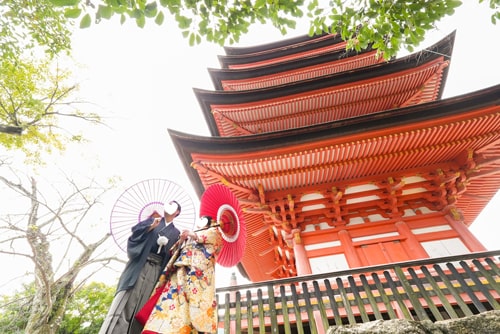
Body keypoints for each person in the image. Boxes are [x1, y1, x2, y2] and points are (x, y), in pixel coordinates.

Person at [99, 200, 182, 334]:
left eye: (174, 206)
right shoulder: (152, 221)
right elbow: (135, 234)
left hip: (157, 271)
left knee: (144, 305)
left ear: (177, 212)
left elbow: (174, 255)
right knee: (128, 300)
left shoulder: (177, 233)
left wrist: (180, 242)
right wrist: (150, 227)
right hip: (141, 264)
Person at [140, 215, 223, 334]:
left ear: (209, 222)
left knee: (191, 304)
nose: (199, 220)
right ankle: (159, 328)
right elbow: (174, 251)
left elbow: (209, 240)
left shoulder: (214, 231)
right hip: (180, 268)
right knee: (172, 300)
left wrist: (192, 235)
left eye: (203, 218)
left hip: (197, 275)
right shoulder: (192, 233)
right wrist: (182, 240)